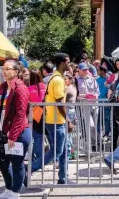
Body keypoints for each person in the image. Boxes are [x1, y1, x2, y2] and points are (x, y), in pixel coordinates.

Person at [31, 53, 71, 185]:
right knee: (57, 151)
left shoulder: (57, 77)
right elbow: (60, 103)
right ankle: (29, 168)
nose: (69, 65)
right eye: (68, 62)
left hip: (56, 120)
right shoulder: (58, 80)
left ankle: (63, 178)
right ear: (62, 64)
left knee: (64, 150)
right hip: (56, 121)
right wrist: (69, 120)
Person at [0, 59, 30, 199]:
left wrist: (13, 135)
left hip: (18, 132)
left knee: (16, 164)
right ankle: (8, 189)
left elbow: (21, 113)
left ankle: (15, 192)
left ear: (16, 71)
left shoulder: (20, 88)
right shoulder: (3, 87)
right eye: (4, 69)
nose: (5, 71)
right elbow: (1, 108)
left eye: (8, 69)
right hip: (3, 130)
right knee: (2, 162)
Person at [28, 69, 47, 161]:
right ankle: (50, 158)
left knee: (36, 137)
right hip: (47, 112)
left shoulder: (29, 89)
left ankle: (36, 158)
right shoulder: (46, 86)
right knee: (49, 136)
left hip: (35, 112)